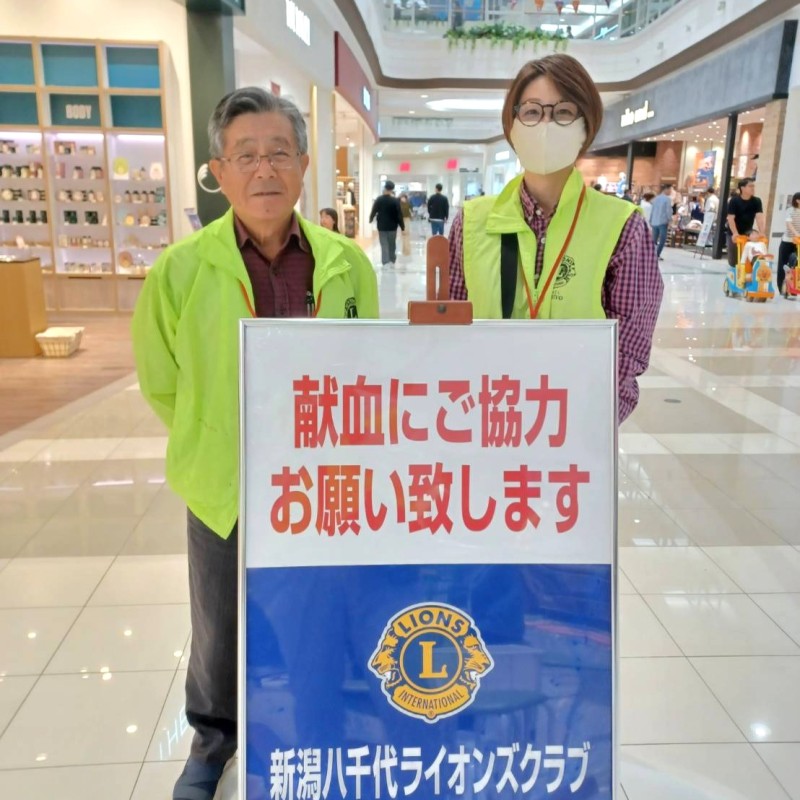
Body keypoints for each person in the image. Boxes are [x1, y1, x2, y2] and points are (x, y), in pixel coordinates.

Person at [131, 87, 378, 800]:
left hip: (322, 481)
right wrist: (212, 433)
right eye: (245, 156)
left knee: (318, 615)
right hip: (224, 478)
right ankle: (213, 743)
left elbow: (371, 365)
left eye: (278, 153)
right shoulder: (180, 269)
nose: (264, 169)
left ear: (304, 165)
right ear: (219, 171)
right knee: (218, 624)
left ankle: (320, 731)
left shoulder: (345, 263)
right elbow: (162, 381)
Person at [448, 53, 663, 423]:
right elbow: (451, 335)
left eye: (563, 112)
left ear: (586, 125)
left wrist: (579, 427)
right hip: (484, 418)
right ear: (512, 124)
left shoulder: (623, 227)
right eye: (532, 112)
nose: (546, 125)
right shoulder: (470, 222)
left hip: (574, 422)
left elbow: (626, 352)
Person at [726, 178, 765, 269]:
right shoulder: (734, 201)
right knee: (734, 261)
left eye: (753, 186)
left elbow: (759, 217)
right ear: (742, 188)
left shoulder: (757, 201)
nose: (753, 188)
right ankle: (735, 274)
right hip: (734, 232)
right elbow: (730, 218)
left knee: (751, 256)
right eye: (750, 186)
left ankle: (750, 272)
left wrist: (762, 232)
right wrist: (735, 233)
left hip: (748, 233)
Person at [369, 179, 404, 267]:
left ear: (385, 188)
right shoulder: (395, 201)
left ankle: (385, 261)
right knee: (392, 243)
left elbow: (374, 210)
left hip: (382, 226)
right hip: (392, 226)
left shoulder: (379, 199)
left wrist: (371, 218)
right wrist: (402, 226)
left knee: (384, 244)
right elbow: (399, 214)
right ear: (392, 189)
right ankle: (392, 259)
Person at [777, 191, 800, 294]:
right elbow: (789, 223)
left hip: (798, 243)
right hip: (787, 241)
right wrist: (796, 234)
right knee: (783, 264)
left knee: (797, 264)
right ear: (797, 200)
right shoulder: (790, 210)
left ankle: (794, 287)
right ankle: (781, 288)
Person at [650, 184, 673, 260]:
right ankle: (657, 254)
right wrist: (670, 220)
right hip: (662, 222)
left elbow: (652, 210)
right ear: (666, 189)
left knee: (654, 240)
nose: (670, 192)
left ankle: (652, 254)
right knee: (662, 239)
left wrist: (651, 219)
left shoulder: (656, 198)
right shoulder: (667, 199)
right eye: (670, 190)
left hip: (654, 221)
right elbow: (668, 211)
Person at [399, 192, 412, 256]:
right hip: (401, 219)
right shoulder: (399, 204)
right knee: (403, 234)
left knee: (406, 233)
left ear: (406, 198)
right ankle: (404, 250)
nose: (403, 199)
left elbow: (411, 210)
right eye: (402, 197)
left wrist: (411, 216)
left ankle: (407, 251)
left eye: (404, 197)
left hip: (407, 218)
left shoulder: (408, 203)